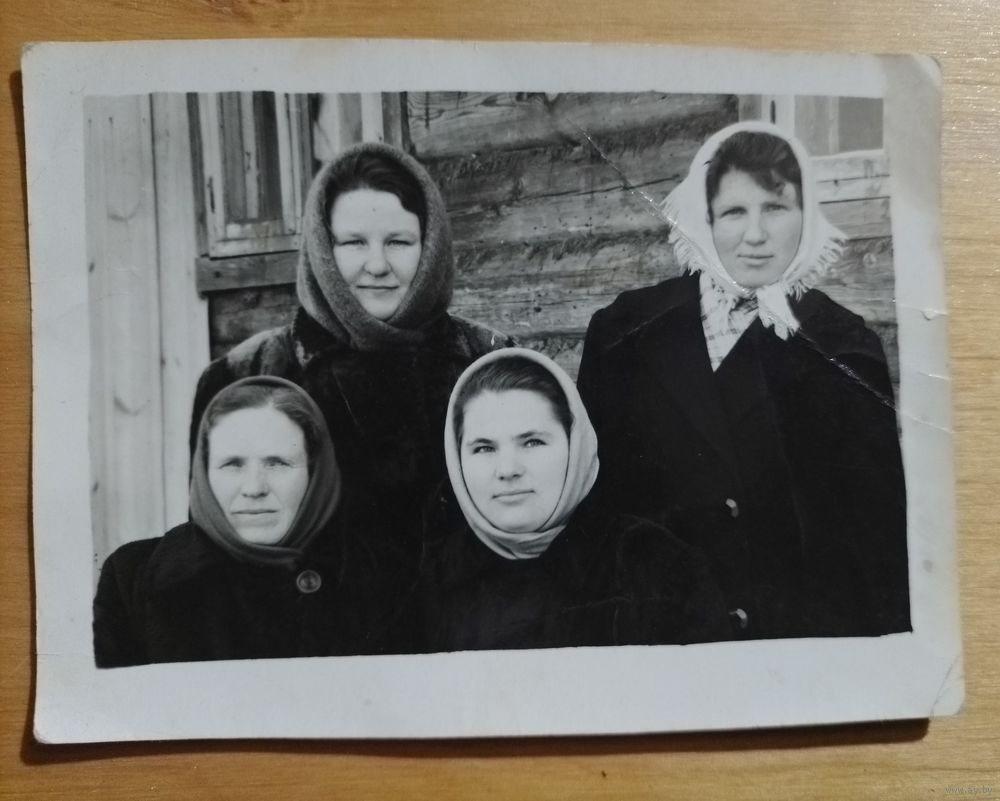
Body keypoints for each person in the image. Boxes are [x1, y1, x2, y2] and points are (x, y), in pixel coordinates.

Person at [577, 121, 910, 640]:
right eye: (734, 212)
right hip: (661, 639)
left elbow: (878, 545)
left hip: (796, 647)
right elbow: (593, 517)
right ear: (706, 217)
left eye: (775, 208)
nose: (755, 235)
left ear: (806, 215)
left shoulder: (844, 345)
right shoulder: (624, 332)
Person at [190, 142, 513, 550]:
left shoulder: (487, 360)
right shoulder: (248, 372)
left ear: (430, 246)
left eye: (398, 242)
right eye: (354, 243)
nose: (377, 265)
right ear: (323, 249)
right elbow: (211, 549)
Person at [94, 377, 416, 667]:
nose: (254, 488)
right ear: (204, 472)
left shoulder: (385, 579)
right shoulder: (133, 579)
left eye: (277, 463)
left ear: (315, 472)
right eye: (232, 465)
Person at [424, 348, 729, 652]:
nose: (507, 470)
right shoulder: (429, 585)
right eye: (484, 448)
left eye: (532, 442)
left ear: (575, 446)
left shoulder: (654, 566)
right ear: (457, 457)